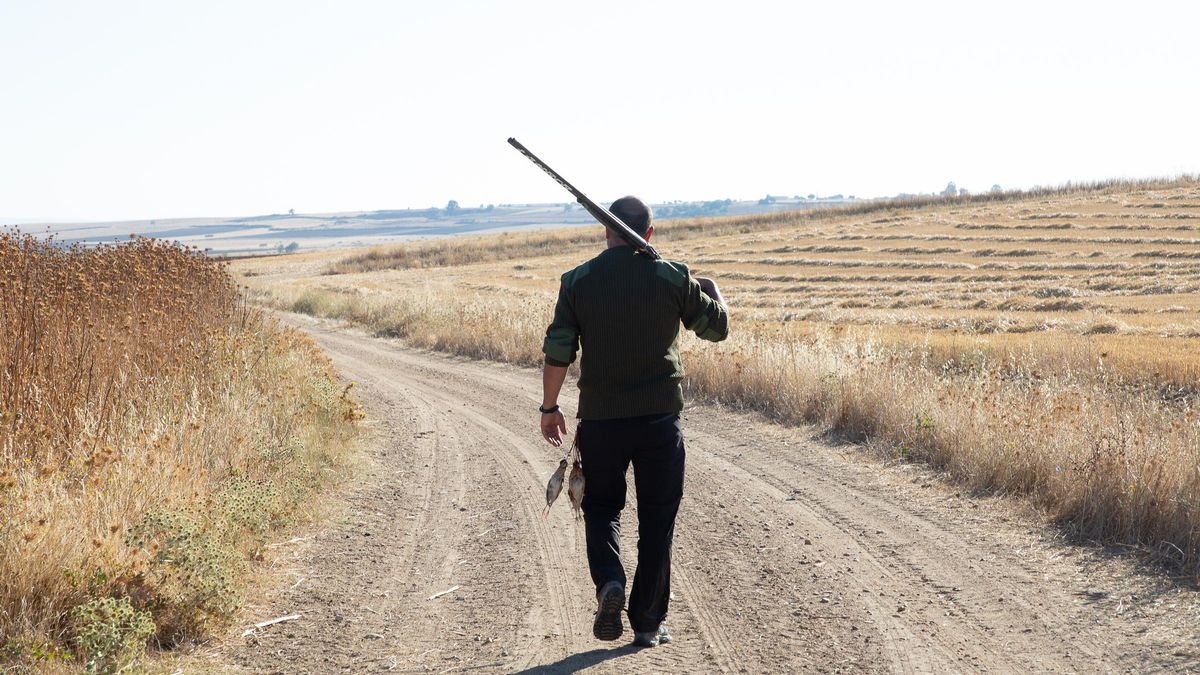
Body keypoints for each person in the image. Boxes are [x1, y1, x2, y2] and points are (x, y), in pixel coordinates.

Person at [537, 196, 729, 648]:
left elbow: (559, 349)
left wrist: (549, 407)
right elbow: (717, 328)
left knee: (602, 509)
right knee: (657, 521)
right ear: (650, 234)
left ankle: (609, 583)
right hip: (661, 422)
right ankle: (646, 623)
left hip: (602, 422)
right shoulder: (673, 276)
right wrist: (708, 285)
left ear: (605, 232)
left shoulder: (578, 281)